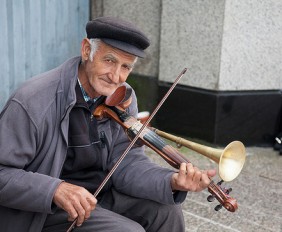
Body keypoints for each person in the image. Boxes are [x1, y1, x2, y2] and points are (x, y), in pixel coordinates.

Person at [0, 16, 216, 232]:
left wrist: (172, 181)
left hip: (99, 196)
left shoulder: (123, 97)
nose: (116, 77)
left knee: (167, 212)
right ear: (87, 50)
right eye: (109, 61)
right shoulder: (34, 100)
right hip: (46, 211)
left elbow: (128, 164)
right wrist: (56, 189)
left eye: (126, 67)